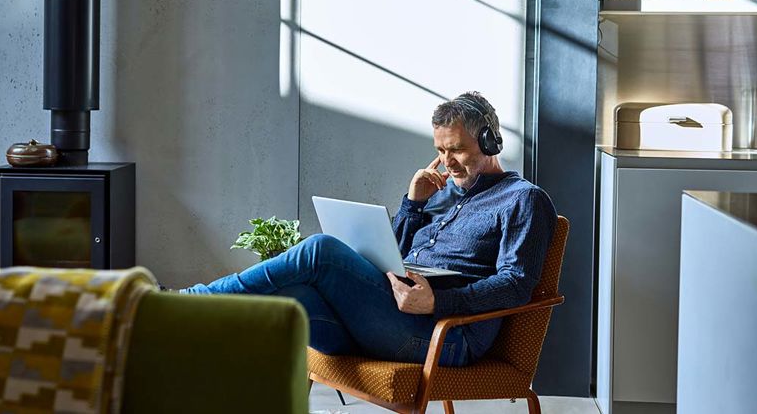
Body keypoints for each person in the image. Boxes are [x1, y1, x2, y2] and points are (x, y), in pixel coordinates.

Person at [180, 92, 557, 367]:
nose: (446, 162)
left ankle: (190, 302)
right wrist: (413, 204)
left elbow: (516, 283)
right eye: (440, 151)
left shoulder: (523, 199)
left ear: (489, 141)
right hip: (390, 317)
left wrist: (438, 302)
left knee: (320, 251)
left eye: (456, 149)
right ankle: (189, 338)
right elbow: (388, 254)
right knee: (292, 294)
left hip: (445, 336)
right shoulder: (438, 192)